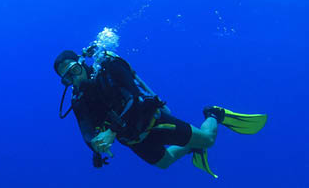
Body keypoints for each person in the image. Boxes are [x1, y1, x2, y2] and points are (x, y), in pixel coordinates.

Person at [53, 32, 267, 178]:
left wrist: (110, 133)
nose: (74, 79)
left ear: (82, 63)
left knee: (209, 140)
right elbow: (86, 129)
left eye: (74, 70)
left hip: (154, 121)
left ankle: (213, 114)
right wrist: (96, 146)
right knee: (165, 163)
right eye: (67, 78)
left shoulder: (109, 68)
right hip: (133, 139)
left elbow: (135, 98)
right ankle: (193, 147)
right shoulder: (78, 99)